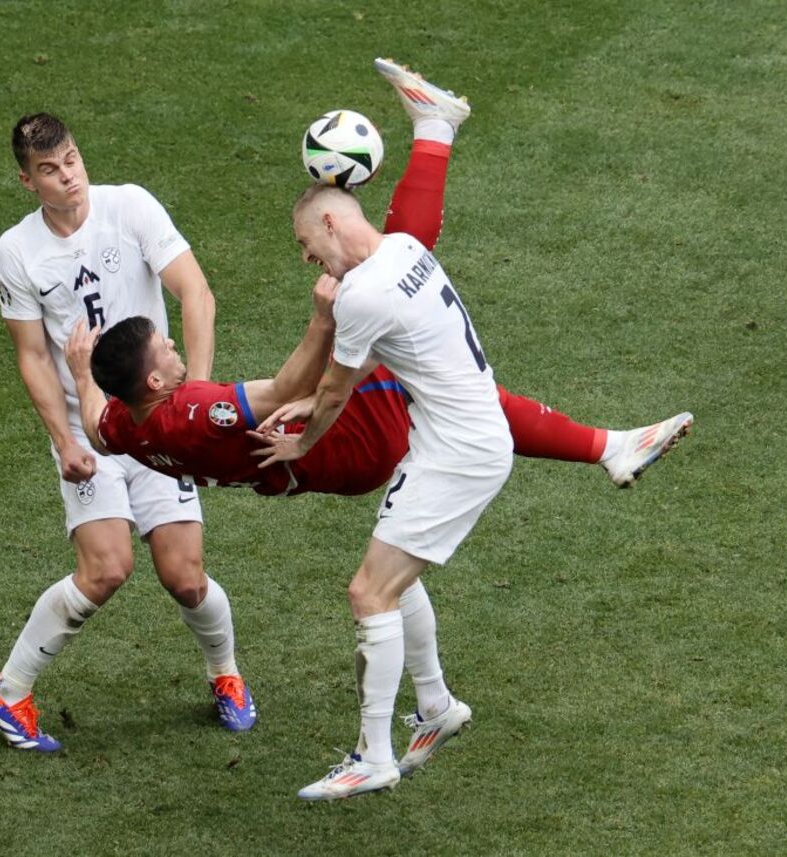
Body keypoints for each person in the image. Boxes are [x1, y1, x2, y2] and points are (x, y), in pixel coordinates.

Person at [66, 60, 691, 794]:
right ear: (154, 381)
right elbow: (318, 362)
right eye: (166, 346)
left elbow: (308, 389)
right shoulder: (395, 260)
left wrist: (86, 372)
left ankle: (376, 753)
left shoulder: (141, 424)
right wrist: (318, 338)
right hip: (413, 441)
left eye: (307, 244)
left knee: (372, 590)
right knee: (391, 571)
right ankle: (432, 704)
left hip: (392, 448)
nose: (306, 259)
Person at [0, 113, 256, 754]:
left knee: (185, 577)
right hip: (86, 428)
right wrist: (66, 440)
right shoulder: (17, 250)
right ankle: (8, 690)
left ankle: (226, 675)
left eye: (71, 159)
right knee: (106, 568)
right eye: (49, 169)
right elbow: (32, 356)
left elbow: (197, 294)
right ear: (27, 180)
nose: (68, 176)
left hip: (156, 423)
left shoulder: (130, 208)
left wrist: (194, 400)